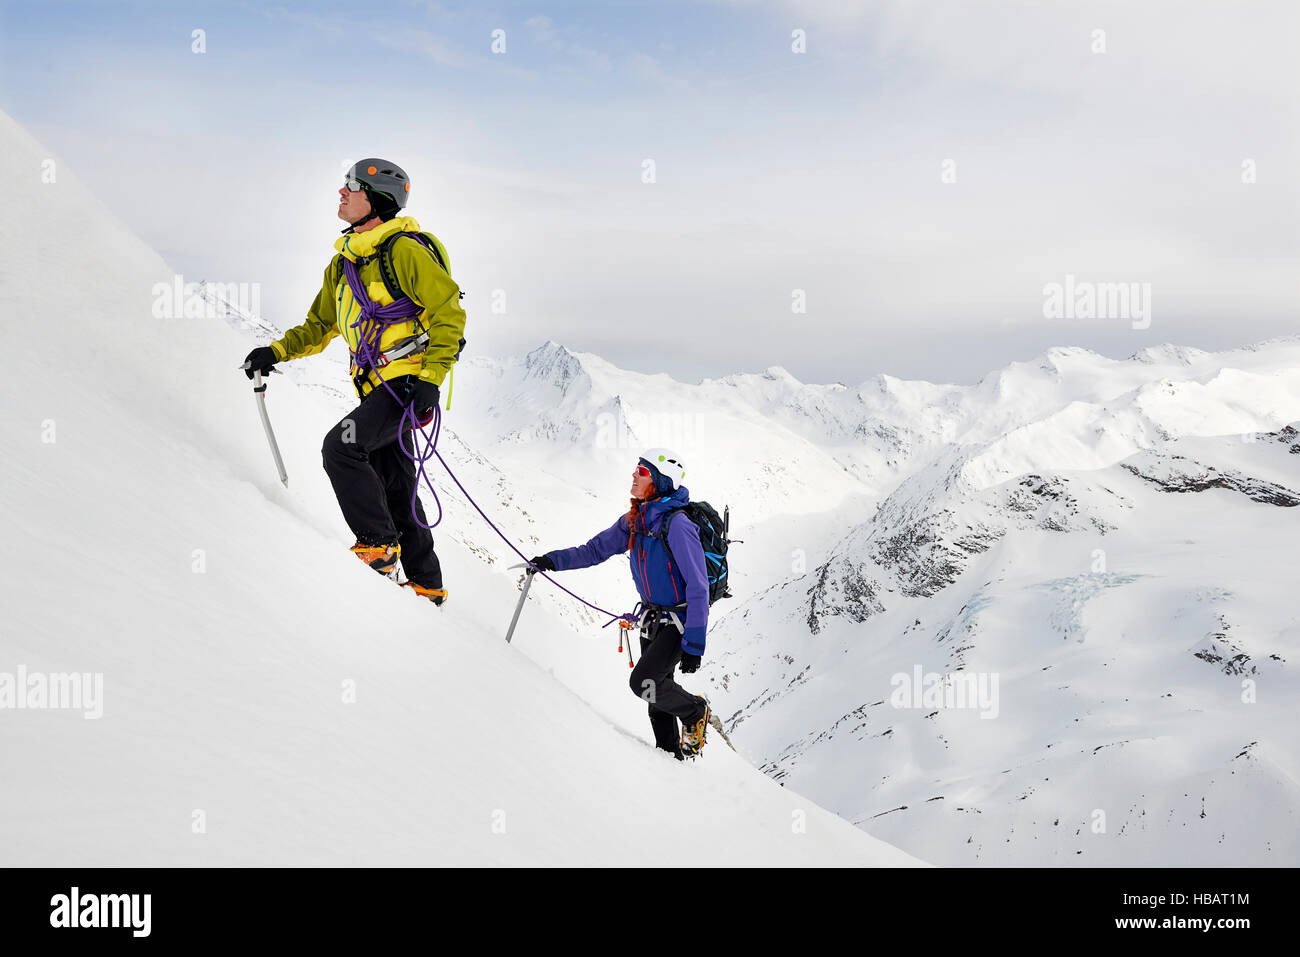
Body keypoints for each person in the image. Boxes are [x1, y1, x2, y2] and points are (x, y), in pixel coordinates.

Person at [242, 159, 466, 605]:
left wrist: (432, 379)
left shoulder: (404, 250)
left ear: (378, 199)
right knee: (396, 486)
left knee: (341, 446)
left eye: (352, 186)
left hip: (406, 383)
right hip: (375, 386)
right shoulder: (342, 266)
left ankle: (378, 546)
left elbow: (449, 313)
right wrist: (276, 351)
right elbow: (319, 325)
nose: (342, 193)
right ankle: (426, 584)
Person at [531, 450, 712, 759]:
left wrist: (694, 644)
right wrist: (552, 561)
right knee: (655, 697)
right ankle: (670, 762)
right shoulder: (636, 519)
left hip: (679, 623)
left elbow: (698, 586)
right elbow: (594, 550)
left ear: (659, 481)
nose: (634, 475)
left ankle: (695, 711)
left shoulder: (678, 525)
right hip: (652, 619)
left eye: (641, 472)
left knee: (644, 683)